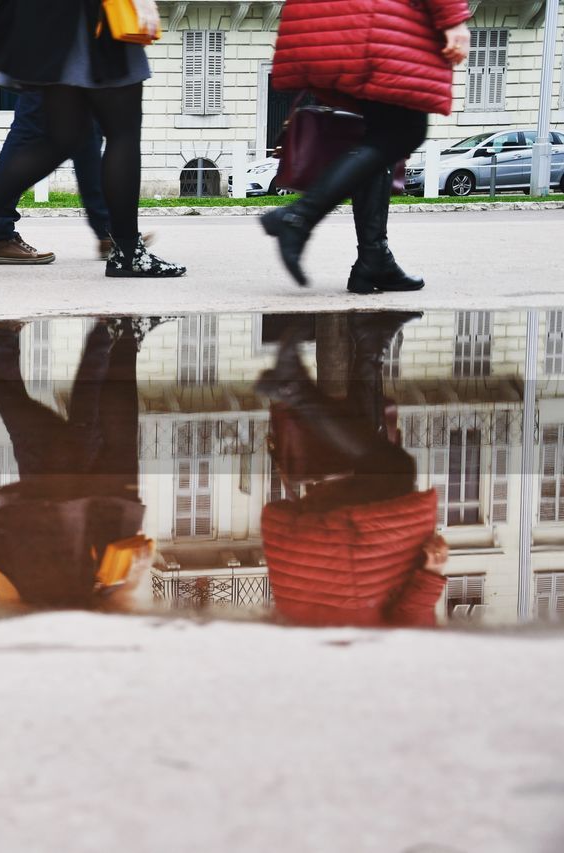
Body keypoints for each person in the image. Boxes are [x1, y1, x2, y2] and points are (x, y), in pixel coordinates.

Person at [0, 0, 184, 278]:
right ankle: (128, 252)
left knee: (65, 138)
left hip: (51, 21)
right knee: (123, 133)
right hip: (96, 19)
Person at [0, 317, 166, 605]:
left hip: (68, 551)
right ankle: (116, 337)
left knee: (70, 442)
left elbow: (15, 602)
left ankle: (112, 336)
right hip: (88, 545)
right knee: (91, 436)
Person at [260, 0, 472, 291]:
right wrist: (453, 18)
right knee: (405, 131)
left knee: (382, 134)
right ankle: (299, 218)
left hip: (335, 19)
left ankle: (373, 259)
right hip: (376, 22)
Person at [255, 312, 449, 627]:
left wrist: (432, 574)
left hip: (345, 562)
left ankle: (297, 388)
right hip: (304, 555)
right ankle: (370, 344)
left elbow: (410, 619)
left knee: (394, 469)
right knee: (377, 465)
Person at [0, 91, 112, 265]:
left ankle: (108, 232)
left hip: (64, 72)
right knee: (29, 129)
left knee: (89, 131)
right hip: (50, 70)